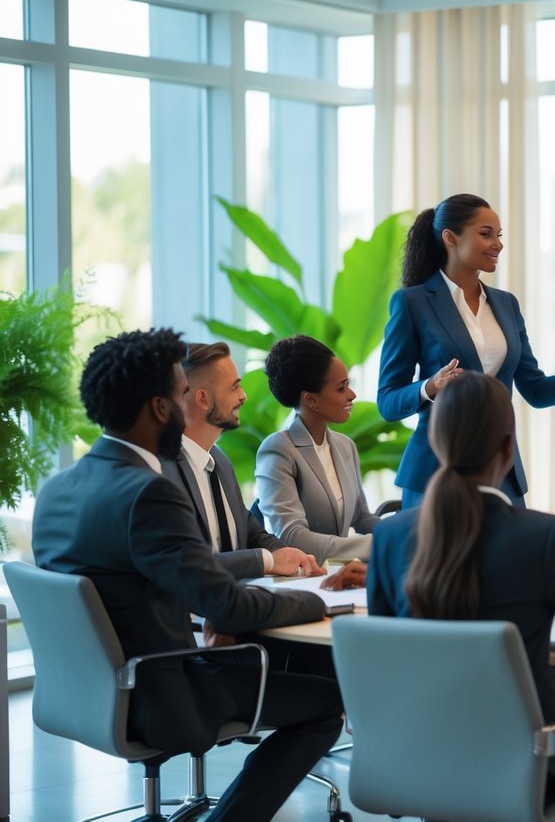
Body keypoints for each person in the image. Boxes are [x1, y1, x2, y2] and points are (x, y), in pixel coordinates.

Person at [31, 328, 344, 822]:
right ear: (161, 408)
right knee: (327, 703)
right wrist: (322, 604)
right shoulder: (147, 492)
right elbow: (229, 605)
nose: (189, 405)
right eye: (181, 393)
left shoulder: (57, 490)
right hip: (163, 695)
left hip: (97, 691)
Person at [367, 371, 555, 822]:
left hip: (421, 751)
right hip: (527, 755)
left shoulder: (389, 536)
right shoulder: (543, 535)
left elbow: (386, 647)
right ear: (508, 449)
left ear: (434, 444)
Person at [377, 192, 555, 509]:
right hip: (436, 470)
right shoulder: (412, 303)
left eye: (498, 235)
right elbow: (388, 402)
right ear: (450, 238)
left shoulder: (505, 304)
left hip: (501, 471)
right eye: (485, 234)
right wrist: (430, 387)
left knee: (509, 559)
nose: (498, 244)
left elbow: (537, 390)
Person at [161, 341, 325, 580]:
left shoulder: (219, 461)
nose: (243, 396)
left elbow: (249, 531)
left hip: (240, 600)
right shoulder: (162, 472)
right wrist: (268, 560)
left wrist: (285, 553)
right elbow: (190, 565)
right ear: (203, 400)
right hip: (196, 612)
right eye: (234, 387)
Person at [256, 335, 379, 561]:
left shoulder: (345, 446)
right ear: (311, 400)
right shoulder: (278, 450)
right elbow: (292, 536)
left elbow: (361, 518)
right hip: (300, 579)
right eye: (341, 388)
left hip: (339, 573)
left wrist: (405, 531)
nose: (352, 395)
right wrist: (374, 546)